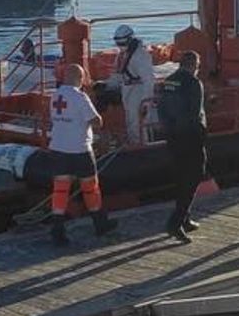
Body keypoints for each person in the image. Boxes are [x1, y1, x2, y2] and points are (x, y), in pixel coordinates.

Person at [47, 64, 116, 244]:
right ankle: (100, 224)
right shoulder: (80, 97)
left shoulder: (55, 96)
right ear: (80, 78)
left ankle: (57, 229)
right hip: (79, 149)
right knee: (90, 187)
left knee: (60, 190)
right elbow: (96, 122)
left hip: (58, 147)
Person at [156, 50, 207, 243]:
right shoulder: (193, 83)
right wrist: (200, 135)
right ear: (194, 65)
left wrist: (169, 129)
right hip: (190, 136)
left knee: (181, 177)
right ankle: (175, 222)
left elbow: (161, 107)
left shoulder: (169, 81)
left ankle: (185, 218)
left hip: (173, 136)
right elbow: (195, 112)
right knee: (194, 176)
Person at [108, 24, 157, 145]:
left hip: (138, 92)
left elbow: (148, 79)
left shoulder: (141, 56)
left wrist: (146, 101)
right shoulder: (123, 55)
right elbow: (119, 73)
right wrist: (107, 85)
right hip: (128, 90)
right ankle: (133, 143)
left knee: (138, 123)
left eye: (122, 43)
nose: (121, 46)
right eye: (118, 44)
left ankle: (141, 146)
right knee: (130, 121)